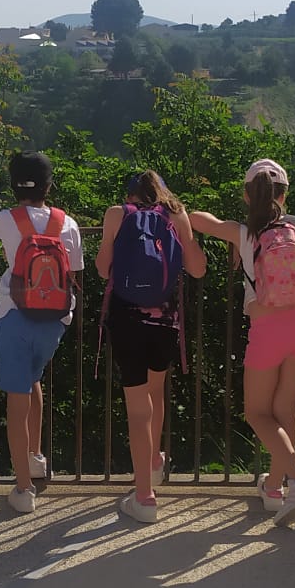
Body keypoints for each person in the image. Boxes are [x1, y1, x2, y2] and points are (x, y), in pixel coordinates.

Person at [191, 161, 295, 525]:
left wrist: (230, 233)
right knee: (285, 409)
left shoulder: (244, 233)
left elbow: (195, 219)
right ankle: (274, 487)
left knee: (257, 413)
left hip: (268, 328)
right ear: (284, 195)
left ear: (247, 195)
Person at [95, 170, 206, 524]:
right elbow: (197, 269)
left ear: (130, 194)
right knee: (156, 392)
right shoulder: (176, 214)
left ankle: (144, 496)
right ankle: (155, 461)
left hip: (127, 320)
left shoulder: (117, 214)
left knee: (137, 406)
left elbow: (102, 269)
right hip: (166, 321)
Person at [0, 152, 86, 515]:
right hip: (54, 322)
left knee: (17, 398)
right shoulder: (67, 223)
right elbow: (75, 270)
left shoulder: (5, 220)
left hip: (15, 315)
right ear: (49, 186)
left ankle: (23, 488)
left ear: (14, 187)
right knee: (33, 379)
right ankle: (36, 458)